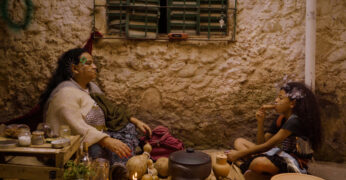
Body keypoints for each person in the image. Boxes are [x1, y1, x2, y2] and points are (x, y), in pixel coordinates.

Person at [41, 48, 152, 166]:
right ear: (75, 68)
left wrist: (136, 121)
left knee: (129, 128)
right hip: (84, 143)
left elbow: (113, 111)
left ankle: (119, 166)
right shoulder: (65, 93)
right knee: (95, 149)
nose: (94, 67)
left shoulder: (92, 89)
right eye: (88, 63)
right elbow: (75, 126)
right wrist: (105, 140)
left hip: (100, 135)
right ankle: (116, 168)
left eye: (93, 63)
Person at [226, 82, 322, 179]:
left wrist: (238, 155)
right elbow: (261, 143)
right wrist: (260, 122)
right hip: (281, 154)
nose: (276, 101)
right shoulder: (281, 118)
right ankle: (259, 174)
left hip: (294, 163)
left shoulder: (296, 120)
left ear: (292, 103)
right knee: (239, 142)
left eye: (280, 98)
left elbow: (267, 146)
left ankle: (242, 165)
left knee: (259, 162)